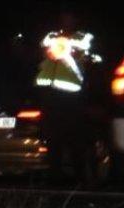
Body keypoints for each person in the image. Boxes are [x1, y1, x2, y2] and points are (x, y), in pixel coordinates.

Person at [35, 12, 101, 181]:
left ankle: (79, 176)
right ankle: (55, 175)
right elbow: (42, 49)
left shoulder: (83, 37)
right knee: (52, 138)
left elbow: (90, 56)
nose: (66, 20)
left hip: (72, 96)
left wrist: (67, 45)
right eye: (64, 17)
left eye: (70, 17)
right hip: (50, 94)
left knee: (74, 137)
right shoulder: (52, 35)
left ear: (76, 19)